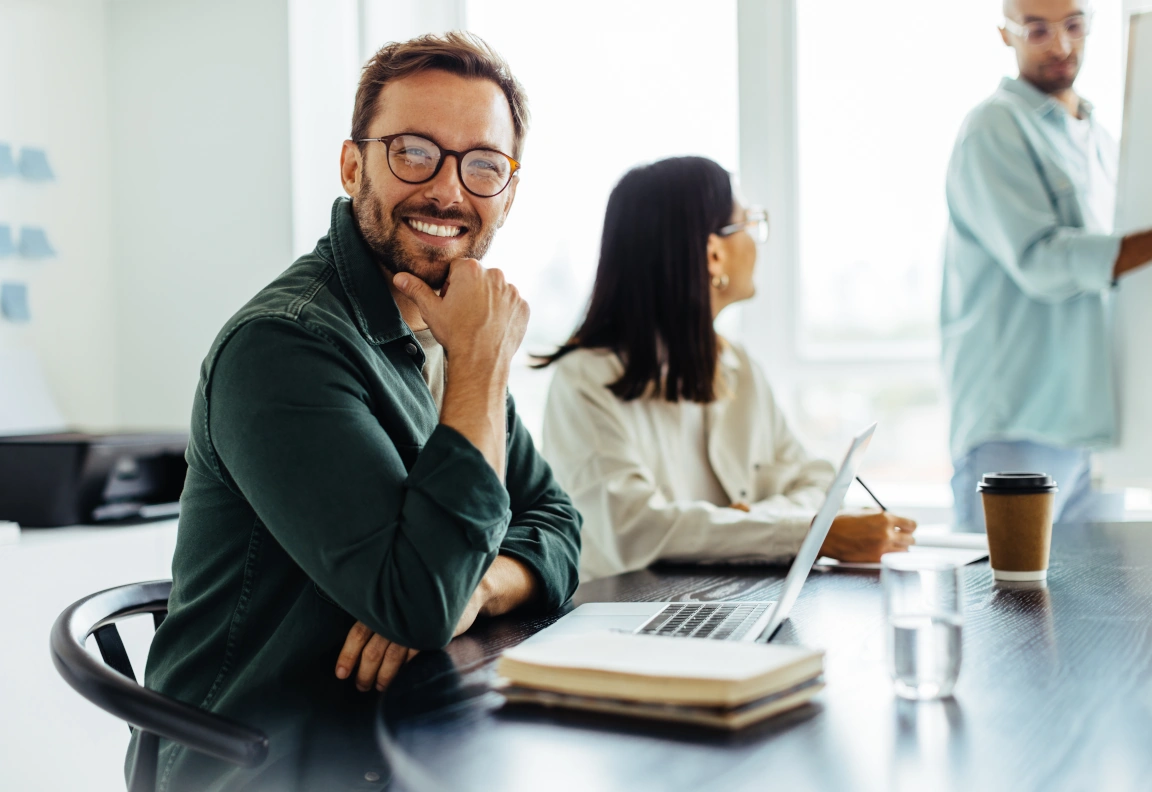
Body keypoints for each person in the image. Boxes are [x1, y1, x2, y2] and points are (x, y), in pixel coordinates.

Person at [130, 33, 581, 788]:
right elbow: (416, 605)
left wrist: (479, 588)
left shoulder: (444, 328)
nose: (447, 191)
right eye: (413, 151)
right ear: (352, 166)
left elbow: (559, 523)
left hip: (413, 726)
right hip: (268, 760)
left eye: (482, 165)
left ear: (508, 189)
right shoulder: (281, 347)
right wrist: (480, 364)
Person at [537, 156, 916, 582]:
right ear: (714, 254)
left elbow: (817, 480)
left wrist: (753, 518)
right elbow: (638, 530)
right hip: (628, 616)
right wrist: (811, 533)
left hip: (733, 598)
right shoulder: (585, 381)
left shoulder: (739, 367)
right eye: (749, 224)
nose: (757, 242)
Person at [942, 0, 1152, 531]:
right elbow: (1043, 260)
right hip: (1018, 426)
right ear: (1005, 34)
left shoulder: (1103, 139)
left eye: (1074, 26)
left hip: (1094, 429)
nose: (1060, 46)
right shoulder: (993, 126)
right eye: (1037, 30)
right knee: (1005, 611)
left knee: (1102, 613)